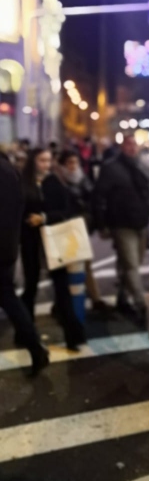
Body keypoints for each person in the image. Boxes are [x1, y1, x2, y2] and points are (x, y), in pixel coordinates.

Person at [93, 134, 149, 316]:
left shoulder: (143, 166)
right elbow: (98, 196)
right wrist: (101, 223)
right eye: (128, 144)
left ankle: (122, 298)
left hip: (142, 222)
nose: (132, 147)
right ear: (121, 146)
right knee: (131, 265)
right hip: (121, 223)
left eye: (134, 144)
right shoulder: (111, 168)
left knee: (130, 263)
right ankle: (141, 304)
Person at [20, 148, 86, 351]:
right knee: (30, 285)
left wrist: (45, 218)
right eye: (41, 160)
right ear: (33, 161)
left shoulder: (54, 182)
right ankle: (25, 333)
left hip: (54, 239)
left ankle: (73, 336)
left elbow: (66, 210)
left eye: (48, 161)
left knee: (61, 286)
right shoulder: (23, 182)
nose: (46, 165)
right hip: (30, 239)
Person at [0, 152, 49, 374]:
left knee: (7, 295)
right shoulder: (10, 170)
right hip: (7, 246)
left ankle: (35, 344)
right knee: (7, 295)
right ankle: (34, 345)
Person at [58, 150, 107, 313]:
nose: (73, 166)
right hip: (65, 228)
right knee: (66, 268)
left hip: (82, 227)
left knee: (85, 264)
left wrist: (94, 221)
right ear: (63, 165)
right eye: (69, 163)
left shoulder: (84, 179)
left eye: (75, 162)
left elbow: (92, 201)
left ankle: (95, 298)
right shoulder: (58, 181)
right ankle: (64, 303)